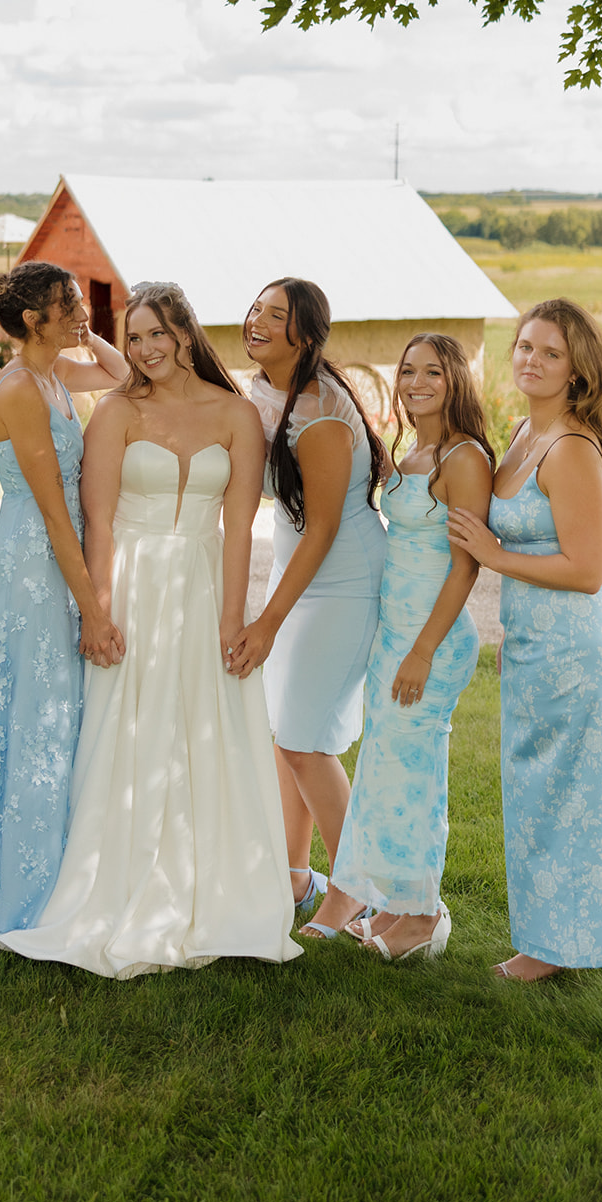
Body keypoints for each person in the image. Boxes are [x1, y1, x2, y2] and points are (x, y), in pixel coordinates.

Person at [0, 282, 302, 976]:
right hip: (132, 583)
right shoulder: (115, 412)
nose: (144, 349)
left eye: (155, 334)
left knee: (203, 732)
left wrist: (234, 617)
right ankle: (118, 884)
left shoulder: (236, 414)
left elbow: (238, 527)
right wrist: (96, 612)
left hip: (200, 587)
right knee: (129, 730)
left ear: (185, 334)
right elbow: (98, 521)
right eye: (133, 338)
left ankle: (216, 890)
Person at [449, 299, 602, 980]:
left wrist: (495, 556)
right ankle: (568, 937)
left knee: (568, 797)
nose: (530, 360)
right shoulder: (521, 430)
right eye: (523, 347)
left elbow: (586, 570)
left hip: (574, 652)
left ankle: (552, 951)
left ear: (577, 369)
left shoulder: (570, 447)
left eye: (549, 352)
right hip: (530, 648)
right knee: (547, 796)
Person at [0, 263, 125, 940]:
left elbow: (122, 376)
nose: (80, 310)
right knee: (30, 722)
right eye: (66, 303)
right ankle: (18, 902)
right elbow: (52, 513)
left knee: (54, 721)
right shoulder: (19, 389)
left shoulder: (53, 374)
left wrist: (85, 331)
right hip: (30, 565)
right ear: (29, 320)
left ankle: (51, 885)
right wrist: (95, 612)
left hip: (57, 557)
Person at [320, 334, 493, 955]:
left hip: (433, 640)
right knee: (387, 775)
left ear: (456, 382)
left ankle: (423, 918)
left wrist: (421, 650)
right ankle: (398, 906)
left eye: (433, 373)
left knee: (415, 777)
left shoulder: (464, 458)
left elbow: (466, 566)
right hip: (396, 635)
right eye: (409, 371)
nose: (417, 382)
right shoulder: (415, 449)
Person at [229, 278, 389, 940]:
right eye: (255, 308)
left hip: (343, 584)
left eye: (276, 315)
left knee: (303, 738)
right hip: (298, 579)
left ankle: (352, 888)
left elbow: (321, 529)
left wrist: (266, 623)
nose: (257, 320)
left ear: (305, 336)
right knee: (286, 735)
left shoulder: (320, 413)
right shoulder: (261, 388)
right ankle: (293, 877)